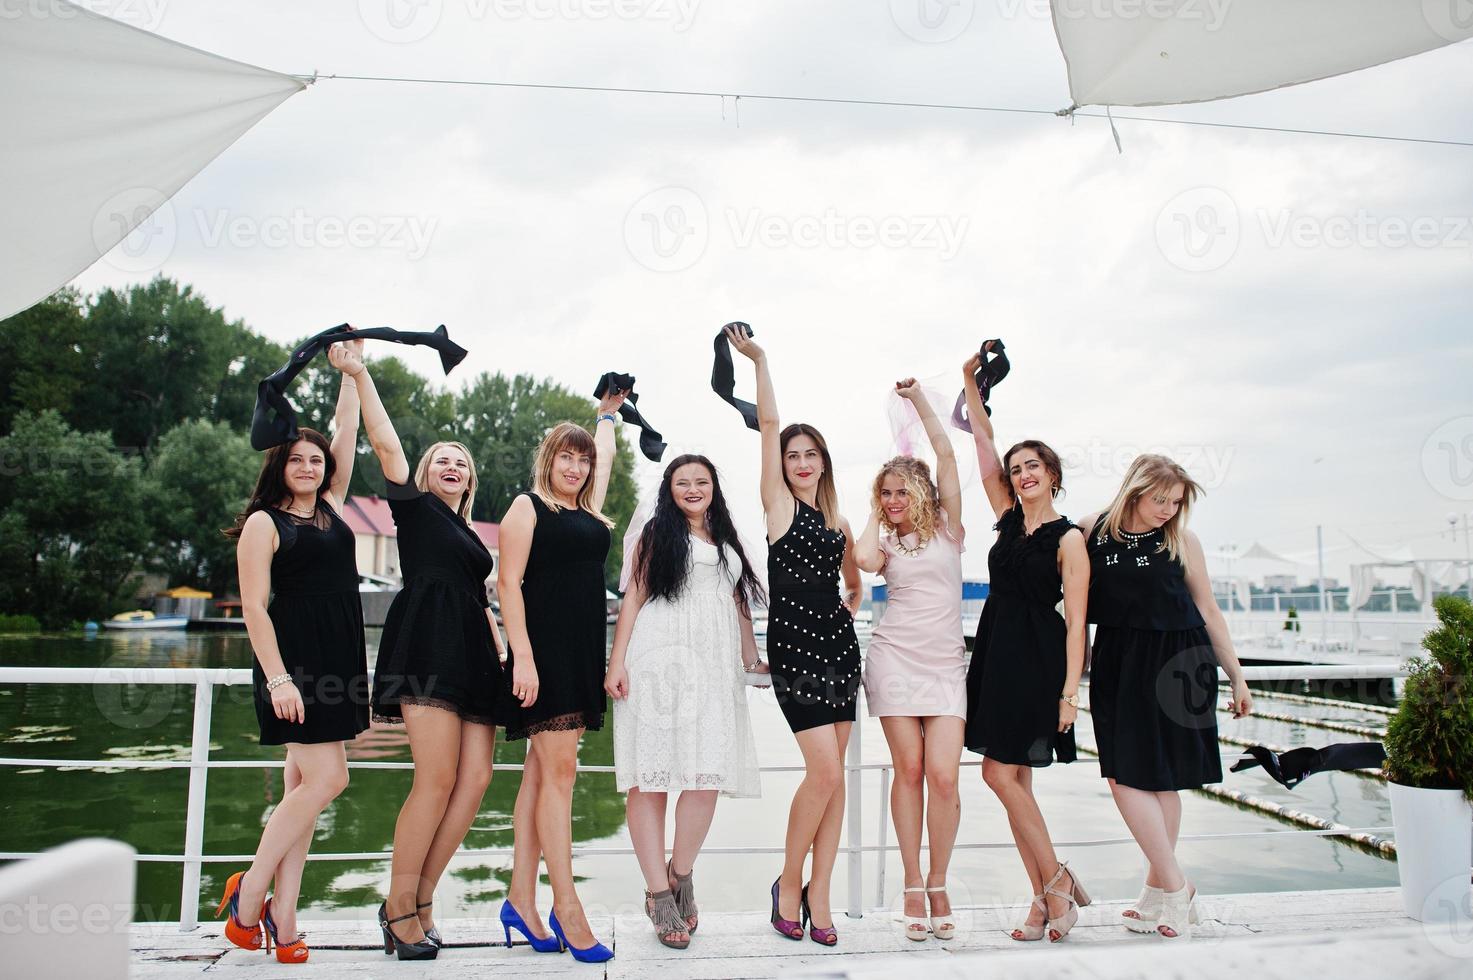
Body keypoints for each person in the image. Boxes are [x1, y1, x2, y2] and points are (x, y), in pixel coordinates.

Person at [218, 336, 367, 964]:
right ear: (280, 465)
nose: (309, 467)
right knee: (329, 778)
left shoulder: (332, 508)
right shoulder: (262, 524)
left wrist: (350, 370)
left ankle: (284, 916)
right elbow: (254, 606)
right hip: (294, 666)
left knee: (301, 789)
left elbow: (347, 427)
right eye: (297, 460)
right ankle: (247, 897)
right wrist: (278, 680)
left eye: (315, 459)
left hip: (340, 657)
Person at [356, 357, 505, 961]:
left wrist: (500, 643)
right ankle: (399, 909)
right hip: (426, 644)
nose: (453, 465)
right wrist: (361, 375)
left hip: (474, 653)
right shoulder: (414, 511)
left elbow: (482, 597)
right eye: (443, 458)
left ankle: (421, 898)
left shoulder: (469, 532)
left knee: (475, 781)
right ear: (426, 472)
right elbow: (386, 444)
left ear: (469, 480)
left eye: (462, 462)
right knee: (436, 778)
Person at [1076, 454, 1253, 940]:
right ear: (1135, 490)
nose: (1168, 510)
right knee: (1121, 773)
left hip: (1182, 660)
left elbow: (1208, 609)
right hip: (1120, 658)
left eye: (1176, 502)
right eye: (1161, 500)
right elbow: (1070, 597)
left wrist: (1236, 675)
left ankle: (1162, 890)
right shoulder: (1092, 529)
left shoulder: (1182, 540)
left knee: (1163, 778)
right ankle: (1176, 887)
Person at [724, 324, 862, 947]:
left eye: (811, 454)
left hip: (839, 643)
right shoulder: (777, 504)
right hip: (796, 646)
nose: (800, 462)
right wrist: (759, 361)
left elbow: (854, 579)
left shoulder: (837, 517)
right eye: (792, 454)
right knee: (824, 773)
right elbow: (772, 421)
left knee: (837, 781)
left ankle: (822, 895)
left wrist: (852, 602)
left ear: (824, 462)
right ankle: (787, 883)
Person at [605, 454, 769, 949]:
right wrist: (617, 663)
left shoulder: (726, 538)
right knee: (651, 779)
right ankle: (658, 894)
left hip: (714, 668)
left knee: (704, 779)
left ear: (714, 487)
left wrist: (751, 657)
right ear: (669, 490)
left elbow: (737, 601)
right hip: (660, 660)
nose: (693, 489)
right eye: (683, 482)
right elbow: (633, 596)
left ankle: (681, 873)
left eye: (702, 481)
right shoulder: (658, 533)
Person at [959, 347, 1092, 943]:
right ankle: (1043, 899)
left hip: (1037, 663)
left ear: (1053, 474)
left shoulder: (1070, 541)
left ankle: (1058, 881)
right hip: (994, 653)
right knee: (1017, 786)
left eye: (1033, 466)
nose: (1022, 474)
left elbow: (1077, 624)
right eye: (1016, 469)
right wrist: (969, 381)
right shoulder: (1007, 519)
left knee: (997, 776)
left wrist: (1070, 696)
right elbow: (984, 445)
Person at [497, 401, 626, 964]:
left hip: (579, 653)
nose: (574, 468)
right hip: (541, 654)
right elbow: (507, 584)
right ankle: (566, 907)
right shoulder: (527, 508)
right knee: (561, 774)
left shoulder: (590, 513)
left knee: (538, 777)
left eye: (583, 460)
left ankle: (520, 899)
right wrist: (521, 658)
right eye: (565, 457)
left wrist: (607, 418)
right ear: (548, 459)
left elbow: (610, 459)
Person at [853, 380, 965, 942]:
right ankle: (912, 881)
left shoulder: (949, 528)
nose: (894, 501)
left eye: (900, 492)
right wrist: (876, 512)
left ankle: (940, 881)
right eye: (885, 494)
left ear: (921, 491)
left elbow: (946, 452)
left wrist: (919, 398)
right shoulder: (887, 541)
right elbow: (864, 557)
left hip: (946, 666)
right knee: (911, 770)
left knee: (944, 776)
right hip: (894, 658)